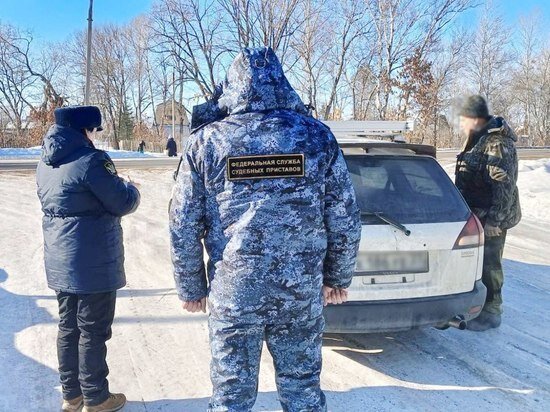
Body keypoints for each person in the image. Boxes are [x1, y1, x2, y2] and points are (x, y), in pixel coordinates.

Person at [169, 47, 361, 411]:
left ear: (232, 85)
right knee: (302, 387)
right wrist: (338, 277)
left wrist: (192, 287)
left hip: (235, 291)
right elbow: (344, 214)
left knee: (231, 394)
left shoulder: (207, 142)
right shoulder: (316, 137)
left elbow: (183, 222)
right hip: (299, 291)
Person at [36, 106, 141, 411]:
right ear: (85, 130)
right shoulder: (92, 160)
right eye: (95, 130)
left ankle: (72, 395)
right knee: (93, 329)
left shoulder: (44, 161)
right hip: (93, 261)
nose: (96, 136)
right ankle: (96, 397)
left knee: (69, 327)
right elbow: (121, 201)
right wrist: (131, 188)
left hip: (61, 258)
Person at [455, 95, 521, 331]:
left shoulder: (496, 144)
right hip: (476, 212)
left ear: (475, 118)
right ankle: (477, 305)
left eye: (463, 119)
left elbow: (503, 185)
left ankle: (491, 311)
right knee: (476, 262)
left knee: (490, 263)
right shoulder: (477, 139)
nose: (461, 124)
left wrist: (496, 220)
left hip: (491, 216)